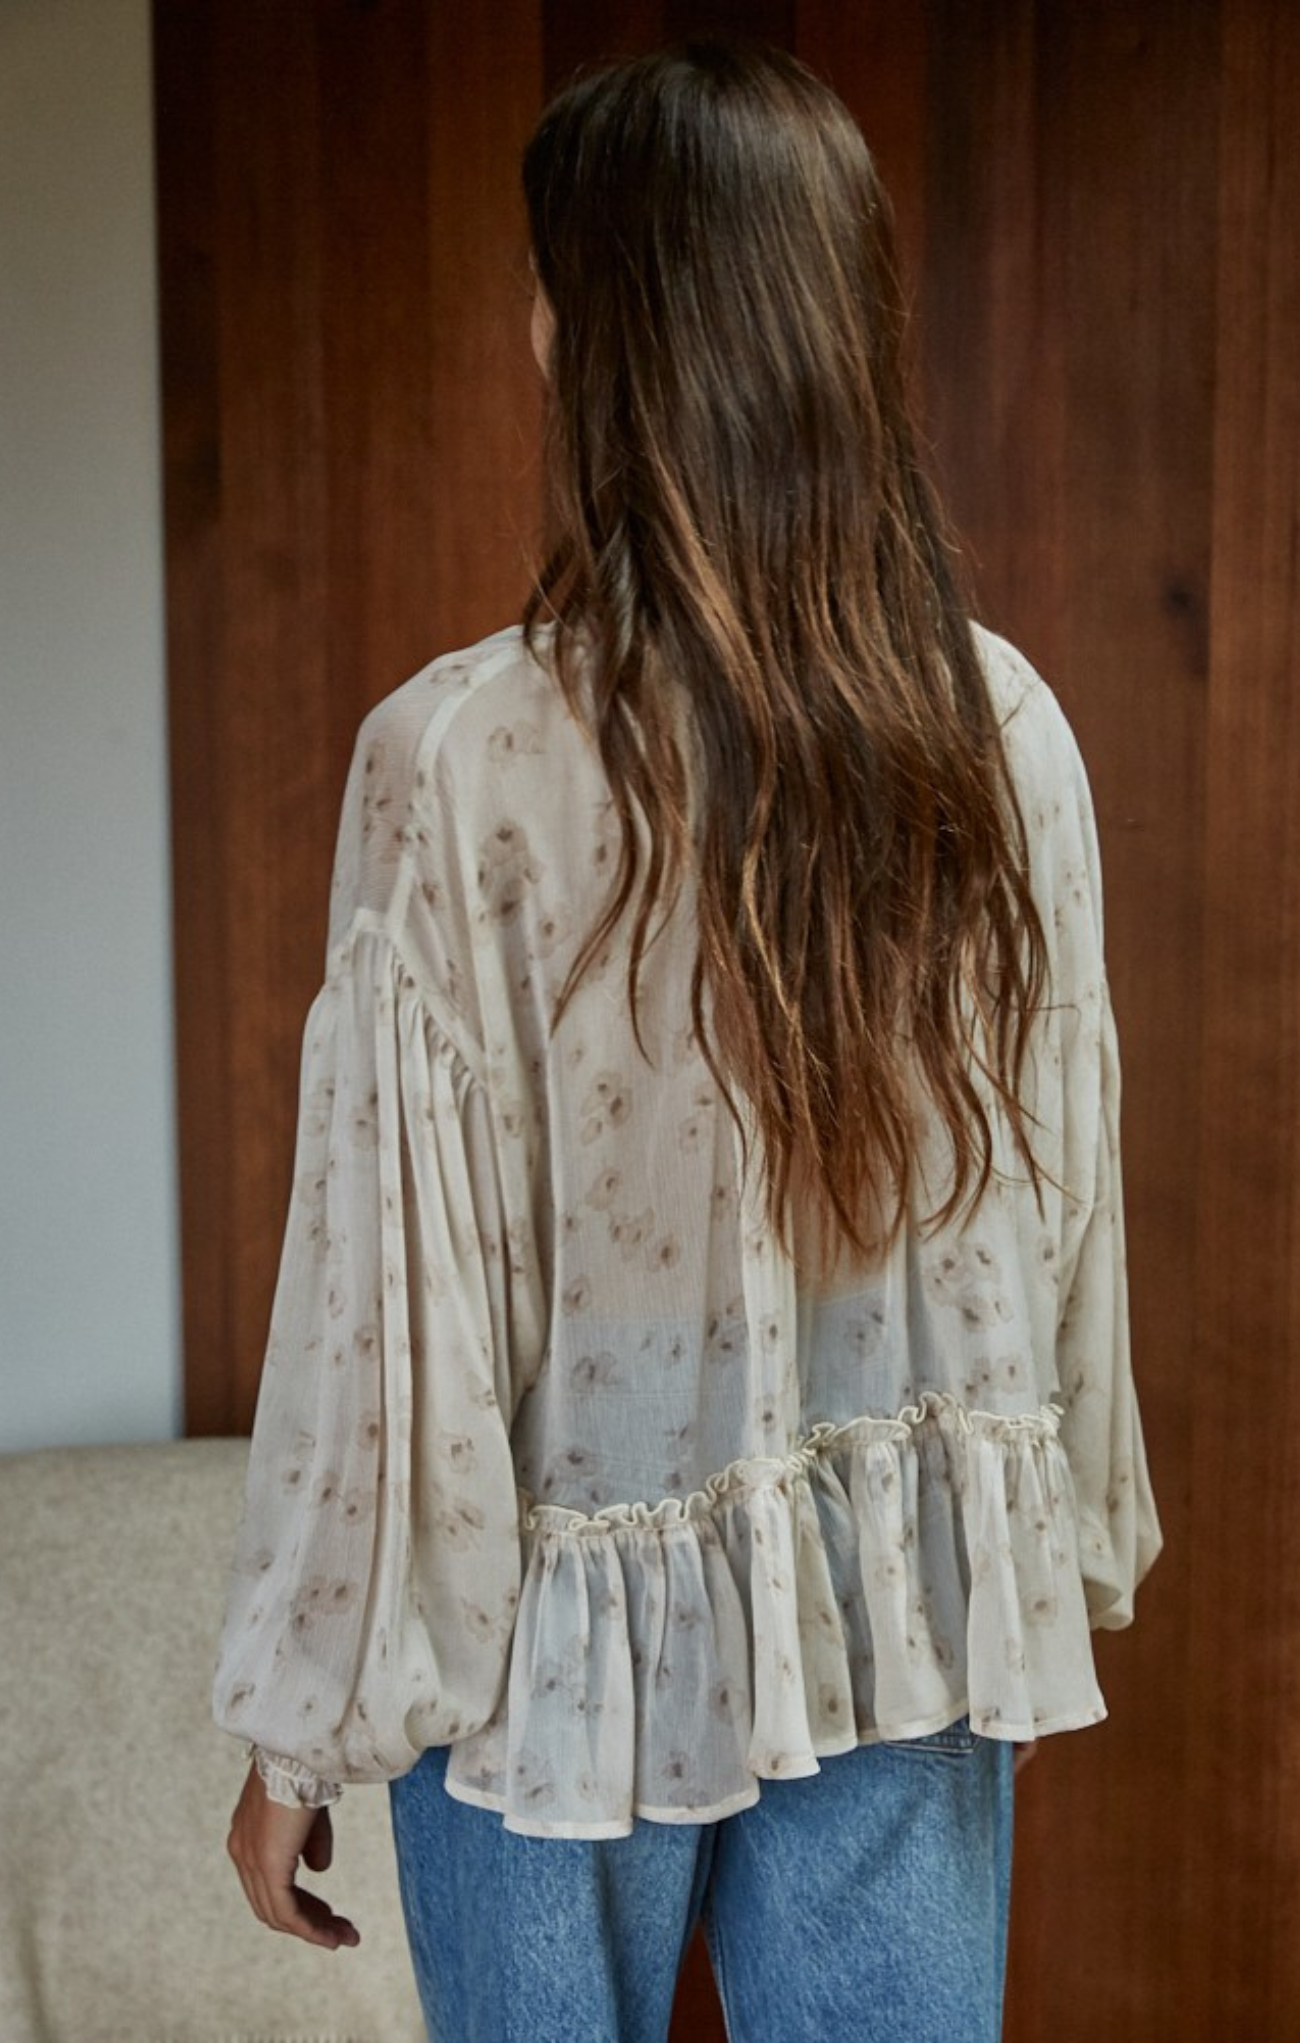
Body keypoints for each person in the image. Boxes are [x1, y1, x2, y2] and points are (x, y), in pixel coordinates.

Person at [217, 38, 1162, 2043]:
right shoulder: (1006, 730)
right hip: (896, 1601)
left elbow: (394, 1314)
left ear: (591, 336)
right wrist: (1049, 1541)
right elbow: (1060, 1204)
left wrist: (304, 1727)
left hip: (550, 1646)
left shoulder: (462, 758)